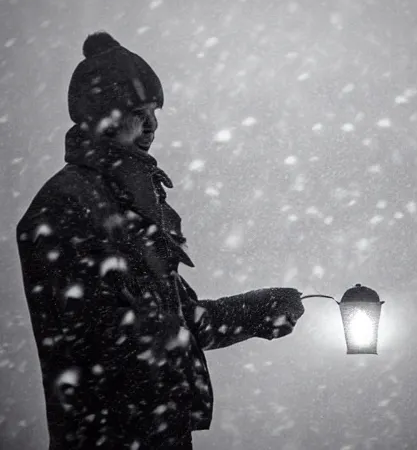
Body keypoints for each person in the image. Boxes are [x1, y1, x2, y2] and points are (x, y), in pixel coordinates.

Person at [16, 32, 305, 450]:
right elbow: (115, 342)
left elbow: (177, 322)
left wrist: (258, 309)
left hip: (158, 434)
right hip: (111, 439)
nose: (152, 124)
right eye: (138, 112)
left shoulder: (130, 200)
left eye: (154, 111)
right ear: (104, 116)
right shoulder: (69, 203)